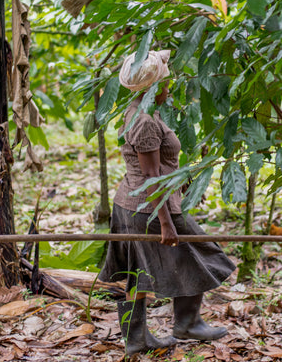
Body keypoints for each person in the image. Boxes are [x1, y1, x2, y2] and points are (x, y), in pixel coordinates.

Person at [98, 49, 236, 357]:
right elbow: (152, 177)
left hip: (132, 204)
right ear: (154, 86)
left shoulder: (139, 110)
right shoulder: (144, 120)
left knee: (135, 270)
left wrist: (180, 178)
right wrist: (165, 223)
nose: (170, 84)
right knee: (201, 252)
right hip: (148, 208)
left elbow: (159, 167)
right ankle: (184, 324)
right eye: (166, 80)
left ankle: (146, 336)